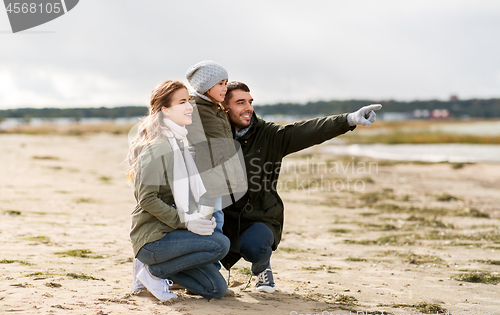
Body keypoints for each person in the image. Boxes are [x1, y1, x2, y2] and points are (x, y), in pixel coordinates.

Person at [220, 81, 381, 293]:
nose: (248, 107)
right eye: (240, 102)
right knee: (208, 246)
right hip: (222, 216)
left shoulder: (270, 135)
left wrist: (348, 119)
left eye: (250, 102)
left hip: (259, 215)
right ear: (224, 107)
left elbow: (306, 131)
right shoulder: (214, 135)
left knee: (256, 247)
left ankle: (262, 269)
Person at [127, 80, 230, 301]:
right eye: (182, 102)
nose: (189, 107)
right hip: (153, 237)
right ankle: (153, 271)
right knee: (220, 244)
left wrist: (202, 217)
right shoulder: (158, 147)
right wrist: (186, 221)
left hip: (173, 235)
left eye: (189, 101)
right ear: (165, 110)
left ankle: (162, 273)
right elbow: (146, 199)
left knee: (215, 289)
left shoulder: (180, 143)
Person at [185, 60, 247, 235]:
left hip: (220, 178)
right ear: (205, 85)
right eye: (220, 84)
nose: (225, 88)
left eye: (225, 83)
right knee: (208, 220)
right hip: (206, 180)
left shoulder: (216, 109)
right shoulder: (195, 108)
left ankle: (211, 260)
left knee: (217, 219)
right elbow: (197, 145)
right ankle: (206, 261)